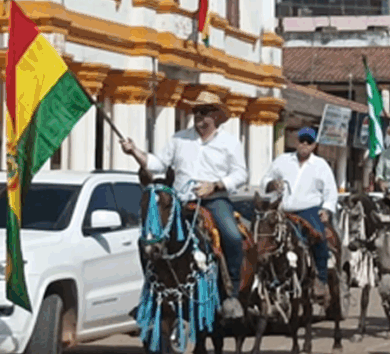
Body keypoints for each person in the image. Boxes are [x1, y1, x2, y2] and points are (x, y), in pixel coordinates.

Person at [120, 91, 247, 319]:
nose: (199, 116)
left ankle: (231, 294)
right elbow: (158, 164)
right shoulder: (179, 139)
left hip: (214, 201)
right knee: (148, 239)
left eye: (204, 112)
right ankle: (152, 290)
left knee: (232, 236)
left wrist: (215, 185)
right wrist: (135, 151)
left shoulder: (229, 142)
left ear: (216, 116)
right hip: (180, 202)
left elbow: (241, 174)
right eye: (196, 111)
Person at [261, 127, 339, 304]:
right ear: (296, 142)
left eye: (308, 142)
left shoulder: (321, 165)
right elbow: (264, 180)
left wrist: (326, 210)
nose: (304, 145)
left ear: (314, 145)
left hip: (308, 210)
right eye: (301, 141)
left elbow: (331, 191)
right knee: (263, 235)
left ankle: (321, 279)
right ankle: (264, 278)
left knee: (319, 235)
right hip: (282, 210)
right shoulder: (282, 160)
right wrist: (272, 184)